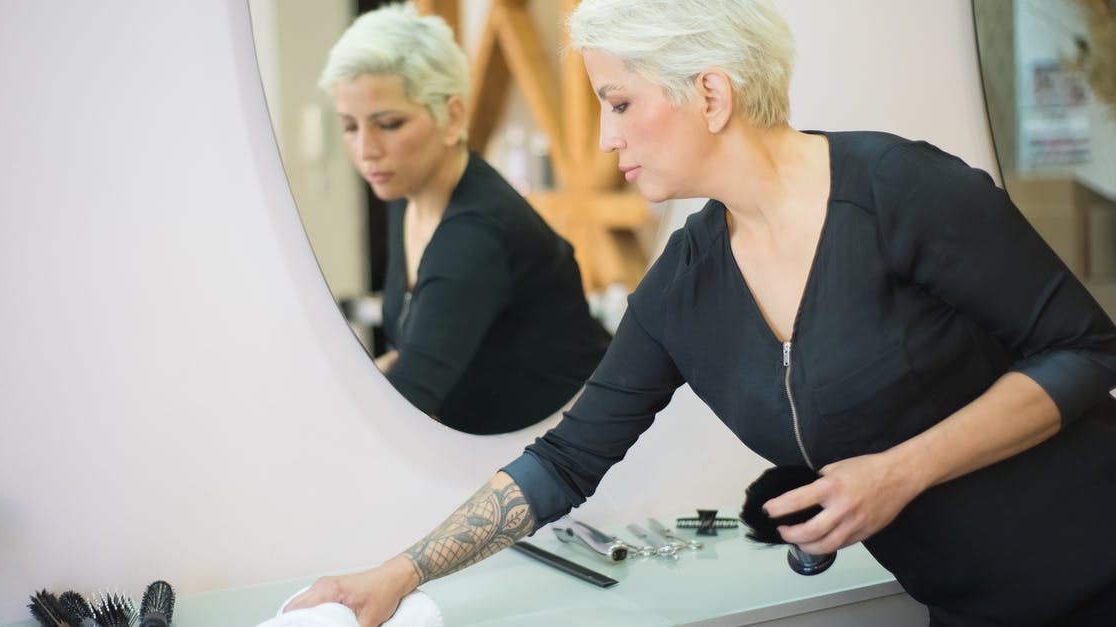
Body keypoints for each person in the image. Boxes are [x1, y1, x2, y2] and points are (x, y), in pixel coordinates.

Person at [289, 0, 1116, 624]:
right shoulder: (686, 282)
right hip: (968, 606)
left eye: (618, 102)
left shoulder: (905, 192)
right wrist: (396, 577)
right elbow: (566, 460)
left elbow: (1085, 350)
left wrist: (899, 471)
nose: (608, 138)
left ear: (711, 94)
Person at [320, 4, 611, 435]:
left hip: (568, 461)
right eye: (350, 126)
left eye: (389, 124)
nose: (366, 150)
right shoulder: (407, 191)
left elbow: (405, 404)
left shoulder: (475, 236)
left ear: (453, 117)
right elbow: (415, 356)